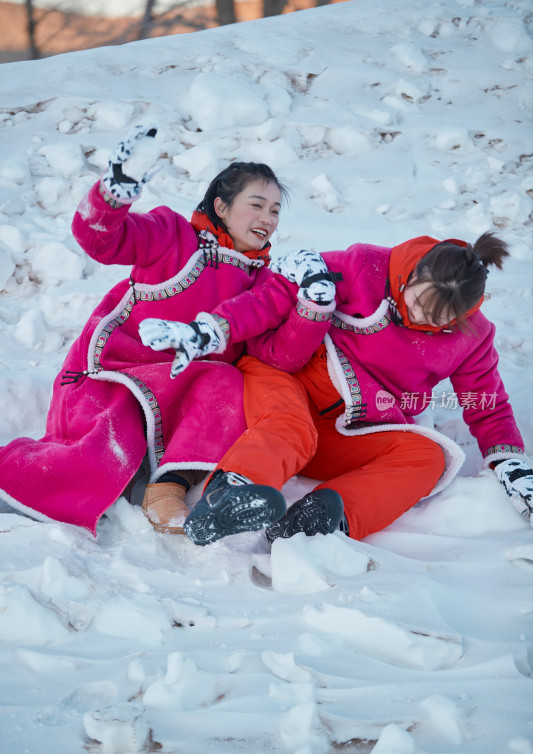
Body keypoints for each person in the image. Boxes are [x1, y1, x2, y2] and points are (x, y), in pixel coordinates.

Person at [0, 125, 337, 537]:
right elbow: (102, 241)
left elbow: (279, 356)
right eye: (257, 205)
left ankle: (166, 490)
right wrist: (113, 195)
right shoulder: (172, 236)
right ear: (221, 205)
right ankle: (16, 481)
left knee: (228, 381)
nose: (267, 219)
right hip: (118, 373)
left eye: (275, 211)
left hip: (188, 387)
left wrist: (313, 306)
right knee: (104, 447)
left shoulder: (263, 282)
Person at [147, 233, 532, 544]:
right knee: (289, 427)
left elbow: (488, 404)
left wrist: (510, 461)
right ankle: (228, 496)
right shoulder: (364, 265)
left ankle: (323, 517)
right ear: (413, 275)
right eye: (417, 302)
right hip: (285, 378)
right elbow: (274, 295)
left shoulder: (472, 336)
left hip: (348, 426)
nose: (417, 317)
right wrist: (211, 330)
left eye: (436, 318)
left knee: (430, 456)